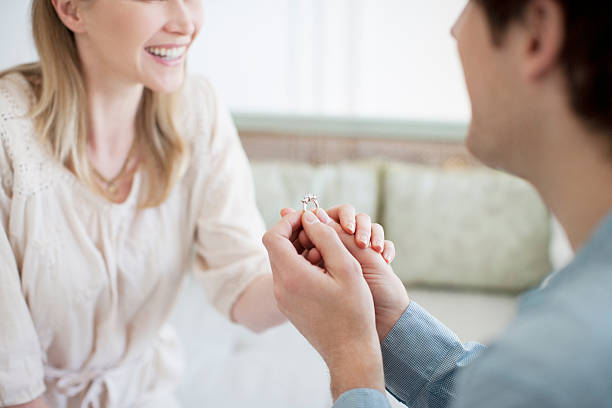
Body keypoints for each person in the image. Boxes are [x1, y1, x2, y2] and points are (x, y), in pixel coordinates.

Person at [0, 1, 384, 407]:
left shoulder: (197, 110)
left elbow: (244, 292)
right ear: (72, 8)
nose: (187, 23)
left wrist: (306, 266)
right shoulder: (8, 132)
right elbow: (15, 379)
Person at [264, 0, 612, 407]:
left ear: (536, 34)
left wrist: (351, 358)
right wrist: (387, 325)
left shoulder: (545, 368)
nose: (454, 30)